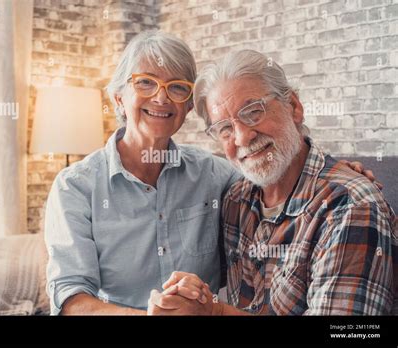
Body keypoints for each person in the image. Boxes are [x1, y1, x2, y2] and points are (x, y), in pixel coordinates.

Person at [45, 31, 380, 315]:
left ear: (188, 107)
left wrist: (341, 172)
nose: (161, 98)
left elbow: (283, 171)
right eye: (145, 83)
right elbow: (71, 298)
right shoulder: (76, 186)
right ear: (119, 98)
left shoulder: (220, 177)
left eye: (177, 88)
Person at [148, 49, 397, 315]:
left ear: (294, 106)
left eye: (253, 112)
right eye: (225, 128)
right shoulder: (236, 198)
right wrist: (185, 296)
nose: (242, 137)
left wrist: (215, 313)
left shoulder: (349, 208)